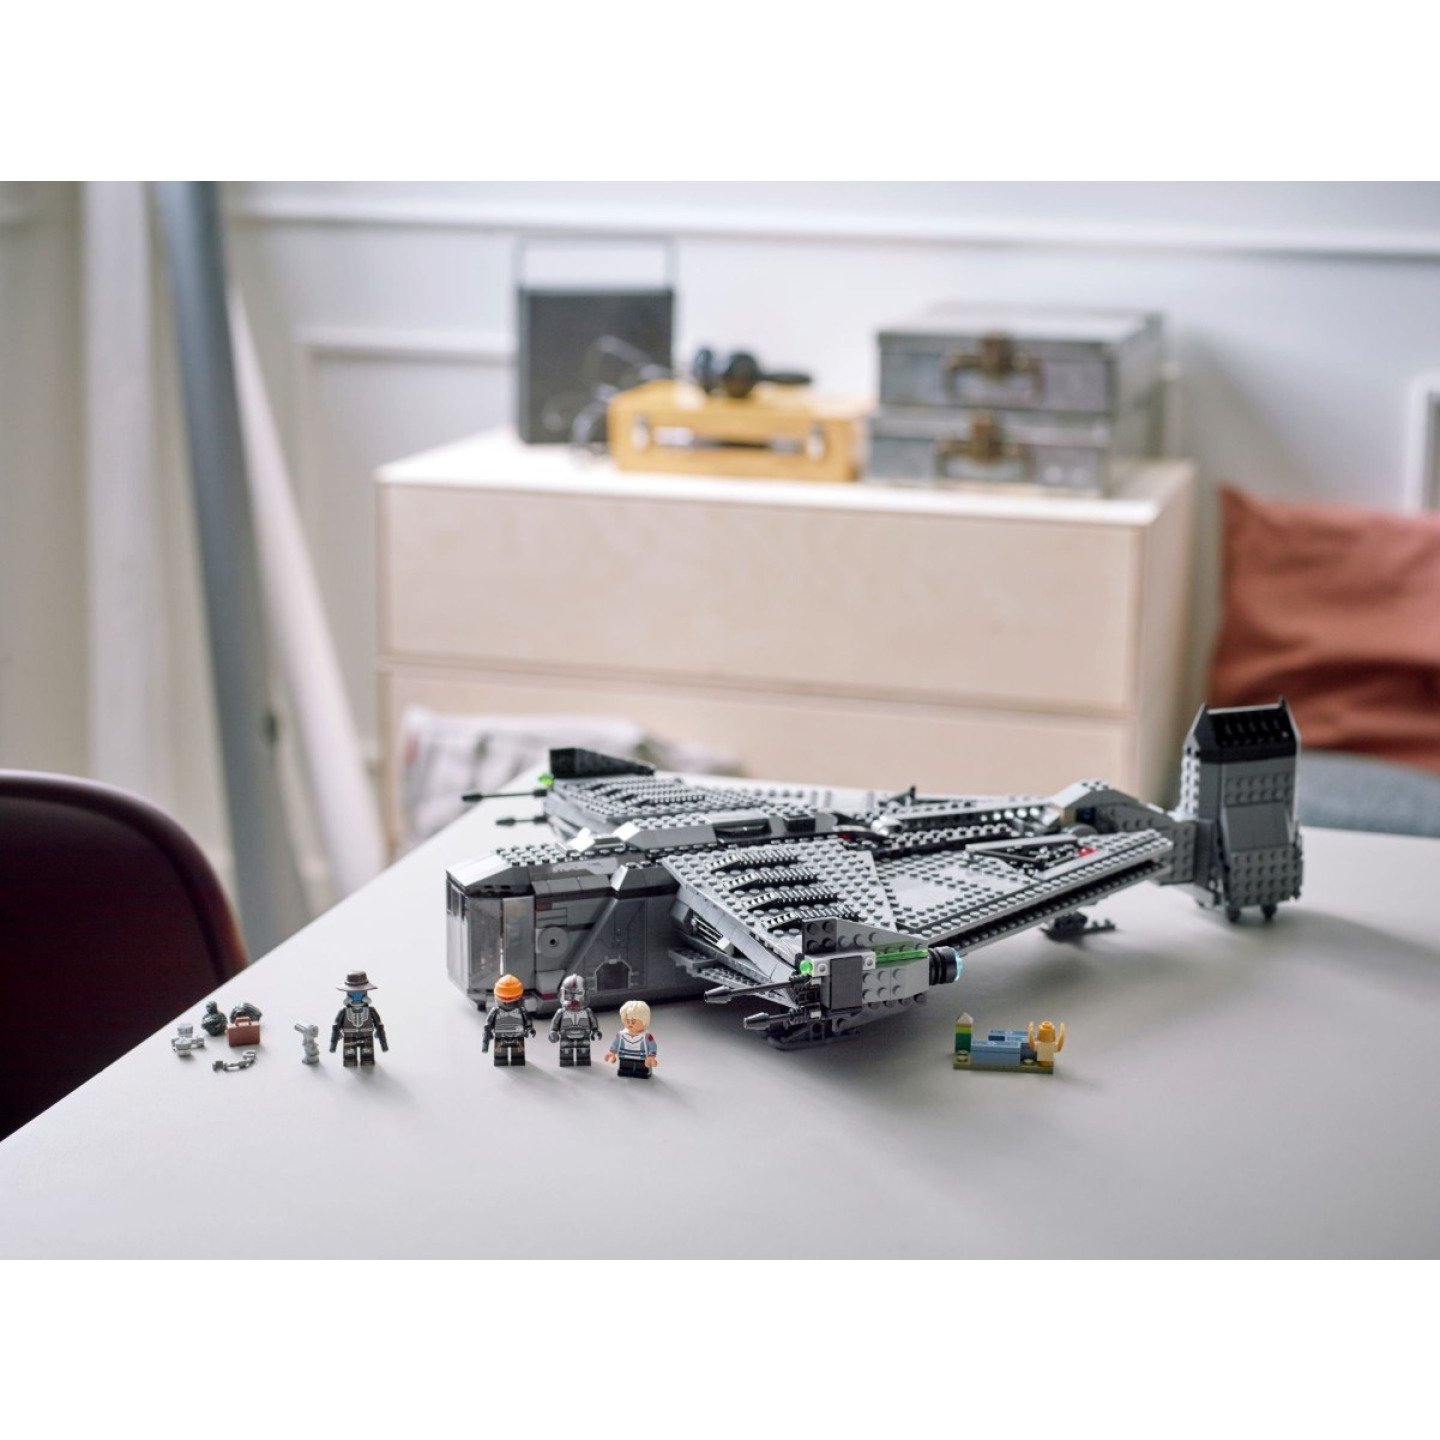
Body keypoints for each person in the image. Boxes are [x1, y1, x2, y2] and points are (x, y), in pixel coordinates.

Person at [604, 999, 658, 1079]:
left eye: (633, 1022)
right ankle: (625, 1070)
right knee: (625, 1068)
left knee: (641, 1069)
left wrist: (651, 1056)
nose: (630, 1024)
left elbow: (653, 1046)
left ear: (644, 1020)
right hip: (625, 1057)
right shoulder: (621, 1034)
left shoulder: (646, 1036)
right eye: (627, 1021)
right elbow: (615, 1044)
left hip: (642, 1058)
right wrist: (612, 1052)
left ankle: (642, 1072)